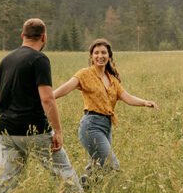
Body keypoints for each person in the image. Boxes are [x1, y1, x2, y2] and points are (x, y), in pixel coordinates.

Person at [0, 18, 85, 193]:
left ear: (22, 36)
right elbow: (47, 98)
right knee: (64, 173)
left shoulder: (6, 60)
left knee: (6, 181)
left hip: (6, 130)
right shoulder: (39, 59)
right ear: (44, 37)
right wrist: (57, 130)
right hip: (35, 130)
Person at [53, 38, 157, 185]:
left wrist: (145, 102)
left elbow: (126, 97)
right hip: (91, 126)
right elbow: (67, 87)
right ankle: (76, 188)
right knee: (111, 165)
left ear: (109, 56)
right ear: (91, 56)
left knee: (97, 170)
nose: (100, 56)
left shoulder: (112, 79)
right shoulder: (85, 74)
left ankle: (77, 189)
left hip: (106, 126)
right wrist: (50, 97)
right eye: (96, 53)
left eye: (103, 52)